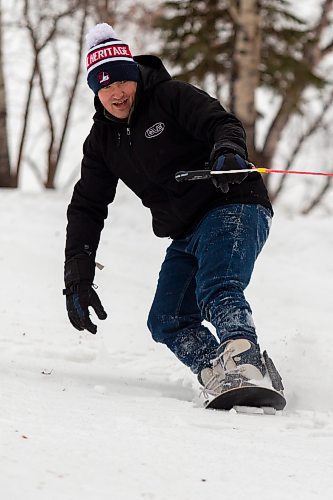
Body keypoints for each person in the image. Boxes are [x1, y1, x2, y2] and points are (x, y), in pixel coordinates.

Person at [63, 23, 276, 401]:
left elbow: (221, 122)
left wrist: (227, 151)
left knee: (217, 286)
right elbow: (87, 207)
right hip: (186, 230)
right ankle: (217, 371)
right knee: (166, 319)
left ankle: (245, 360)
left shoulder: (170, 97)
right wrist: (78, 275)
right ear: (96, 91)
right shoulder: (101, 142)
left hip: (232, 202)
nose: (117, 93)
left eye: (122, 82)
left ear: (134, 77)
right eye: (105, 86)